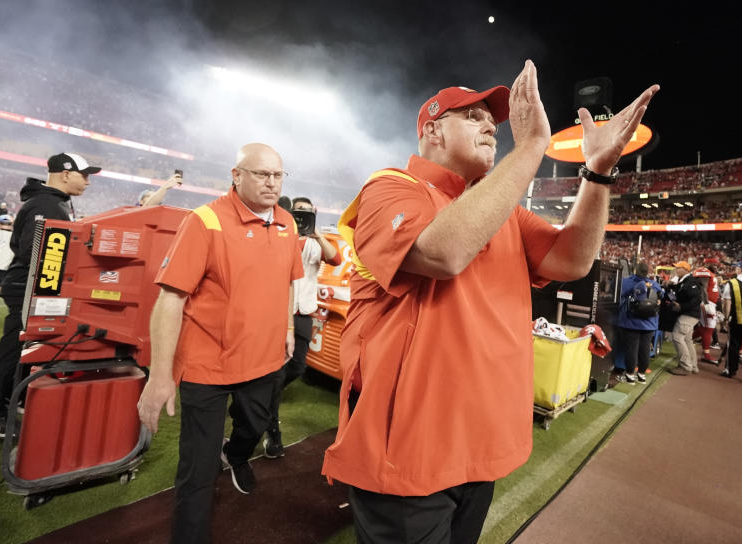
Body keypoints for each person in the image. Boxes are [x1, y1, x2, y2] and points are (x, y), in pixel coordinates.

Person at [321, 61, 659, 543]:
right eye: (473, 116)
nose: (489, 126)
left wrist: (597, 172)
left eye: (492, 120)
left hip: (480, 444)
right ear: (433, 130)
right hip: (409, 450)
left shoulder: (504, 210)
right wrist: (530, 149)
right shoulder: (390, 187)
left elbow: (572, 261)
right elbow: (442, 253)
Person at [136, 143, 303, 544]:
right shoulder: (205, 220)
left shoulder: (288, 223)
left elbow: (286, 283)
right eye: (261, 174)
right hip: (206, 366)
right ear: (236, 174)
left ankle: (238, 455)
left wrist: (287, 330)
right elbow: (170, 299)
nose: (271, 182)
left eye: (278, 175)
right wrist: (160, 377)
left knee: (258, 423)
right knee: (197, 469)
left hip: (264, 362)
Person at [0, 153, 100, 436]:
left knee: (22, 352)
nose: (88, 182)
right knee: (11, 352)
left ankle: (10, 401)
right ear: (65, 174)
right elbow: (36, 255)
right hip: (27, 288)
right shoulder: (46, 204)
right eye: (85, 175)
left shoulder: (50, 202)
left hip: (30, 286)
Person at [264, 196, 341, 457]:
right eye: (299, 212)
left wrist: (316, 232)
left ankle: (265, 395)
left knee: (297, 367)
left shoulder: (316, 243)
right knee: (276, 371)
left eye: (308, 212)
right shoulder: (281, 236)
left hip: (303, 314)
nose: (303, 216)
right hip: (276, 313)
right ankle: (273, 431)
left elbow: (337, 259)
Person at [617, 262, 664, 384]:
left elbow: (616, 292)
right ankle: (641, 375)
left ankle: (629, 376)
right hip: (649, 323)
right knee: (644, 349)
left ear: (634, 270)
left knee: (632, 349)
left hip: (631, 321)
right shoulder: (654, 284)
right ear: (647, 272)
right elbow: (661, 296)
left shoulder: (627, 281)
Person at [668, 260, 706, 376]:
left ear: (685, 269)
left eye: (678, 268)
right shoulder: (685, 281)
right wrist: (671, 286)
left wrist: (681, 306)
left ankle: (685, 366)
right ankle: (693, 365)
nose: (676, 270)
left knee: (677, 336)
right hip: (690, 314)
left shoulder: (690, 282)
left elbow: (697, 299)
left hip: (689, 314)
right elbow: (680, 291)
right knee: (687, 339)